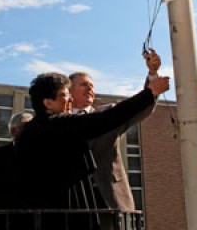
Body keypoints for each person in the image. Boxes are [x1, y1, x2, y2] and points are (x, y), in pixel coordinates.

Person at [15, 71, 169, 229]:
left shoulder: (30, 131)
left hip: (59, 212)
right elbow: (104, 120)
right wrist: (149, 92)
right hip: (68, 212)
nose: (68, 99)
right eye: (64, 95)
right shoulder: (59, 125)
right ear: (48, 103)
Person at [69, 49, 161, 226]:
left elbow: (138, 107)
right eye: (83, 85)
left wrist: (152, 74)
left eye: (92, 86)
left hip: (110, 201)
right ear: (69, 91)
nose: (90, 88)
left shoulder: (108, 114)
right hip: (74, 207)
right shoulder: (59, 121)